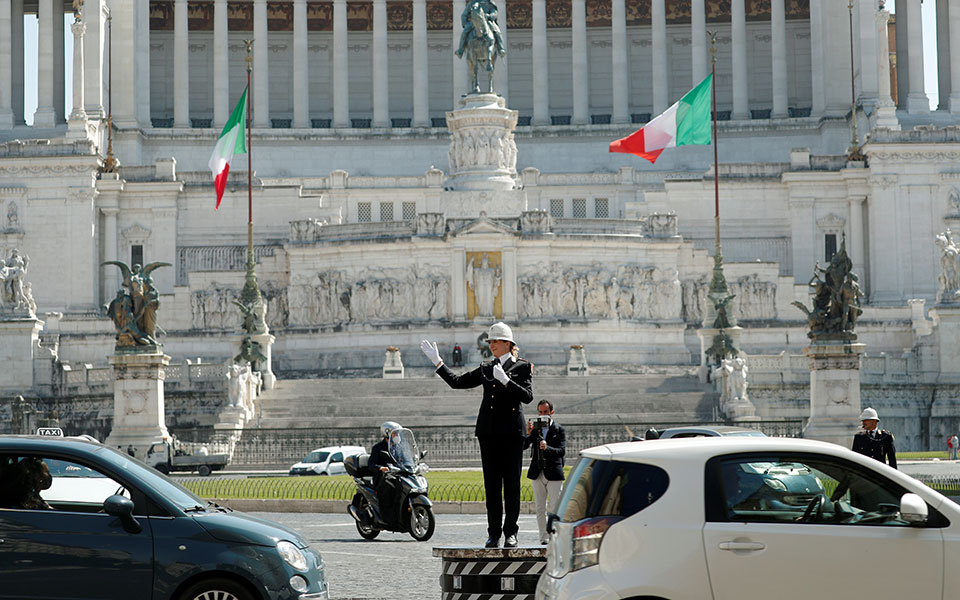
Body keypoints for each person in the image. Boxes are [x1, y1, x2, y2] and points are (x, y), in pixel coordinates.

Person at [421, 322, 533, 548]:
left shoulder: (522, 367)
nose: (491, 345)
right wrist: (438, 362)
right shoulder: (485, 368)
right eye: (490, 342)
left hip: (511, 433)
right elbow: (457, 382)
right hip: (489, 433)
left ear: (507, 344)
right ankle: (494, 533)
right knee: (492, 486)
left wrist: (506, 381)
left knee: (511, 486)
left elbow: (528, 396)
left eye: (495, 341)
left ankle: (511, 532)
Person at [524, 400, 565, 545]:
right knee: (540, 508)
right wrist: (527, 433)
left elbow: (561, 451)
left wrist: (547, 448)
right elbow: (523, 446)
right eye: (540, 412)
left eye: (545, 412)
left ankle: (555, 537)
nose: (543, 415)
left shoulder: (559, 429)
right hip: (537, 471)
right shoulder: (536, 429)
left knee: (555, 507)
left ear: (551, 412)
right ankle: (543, 538)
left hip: (553, 472)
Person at [369, 421, 401, 523]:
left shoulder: (398, 447)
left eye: (397, 433)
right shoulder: (378, 448)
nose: (397, 436)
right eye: (395, 433)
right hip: (382, 478)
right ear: (387, 433)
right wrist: (381, 468)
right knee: (388, 492)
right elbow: (371, 464)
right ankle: (386, 519)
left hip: (397, 475)